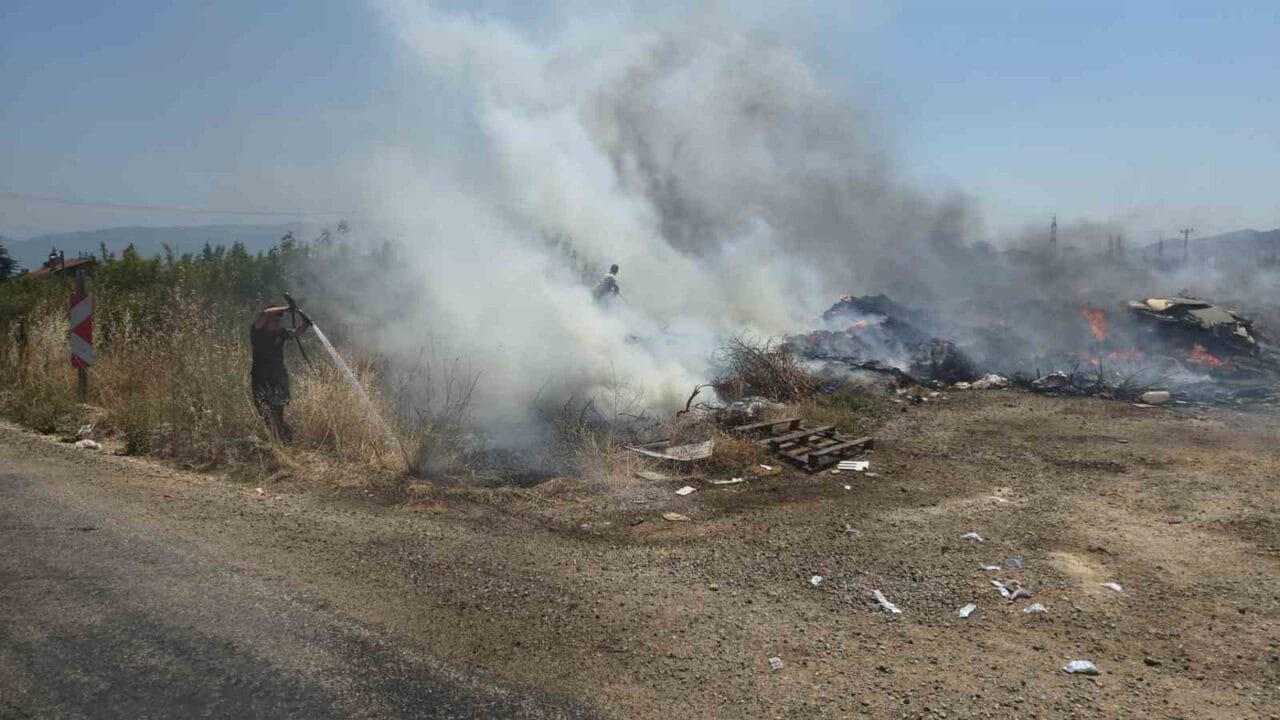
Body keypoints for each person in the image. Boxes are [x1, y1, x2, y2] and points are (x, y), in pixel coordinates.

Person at [249, 302, 311, 441]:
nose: (277, 322)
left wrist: (306, 322)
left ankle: (283, 437)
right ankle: (279, 437)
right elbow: (265, 313)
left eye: (279, 319)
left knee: (278, 409)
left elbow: (297, 332)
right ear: (267, 320)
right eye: (274, 319)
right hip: (260, 376)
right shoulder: (258, 331)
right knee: (263, 409)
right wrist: (289, 309)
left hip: (278, 376)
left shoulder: (281, 333)